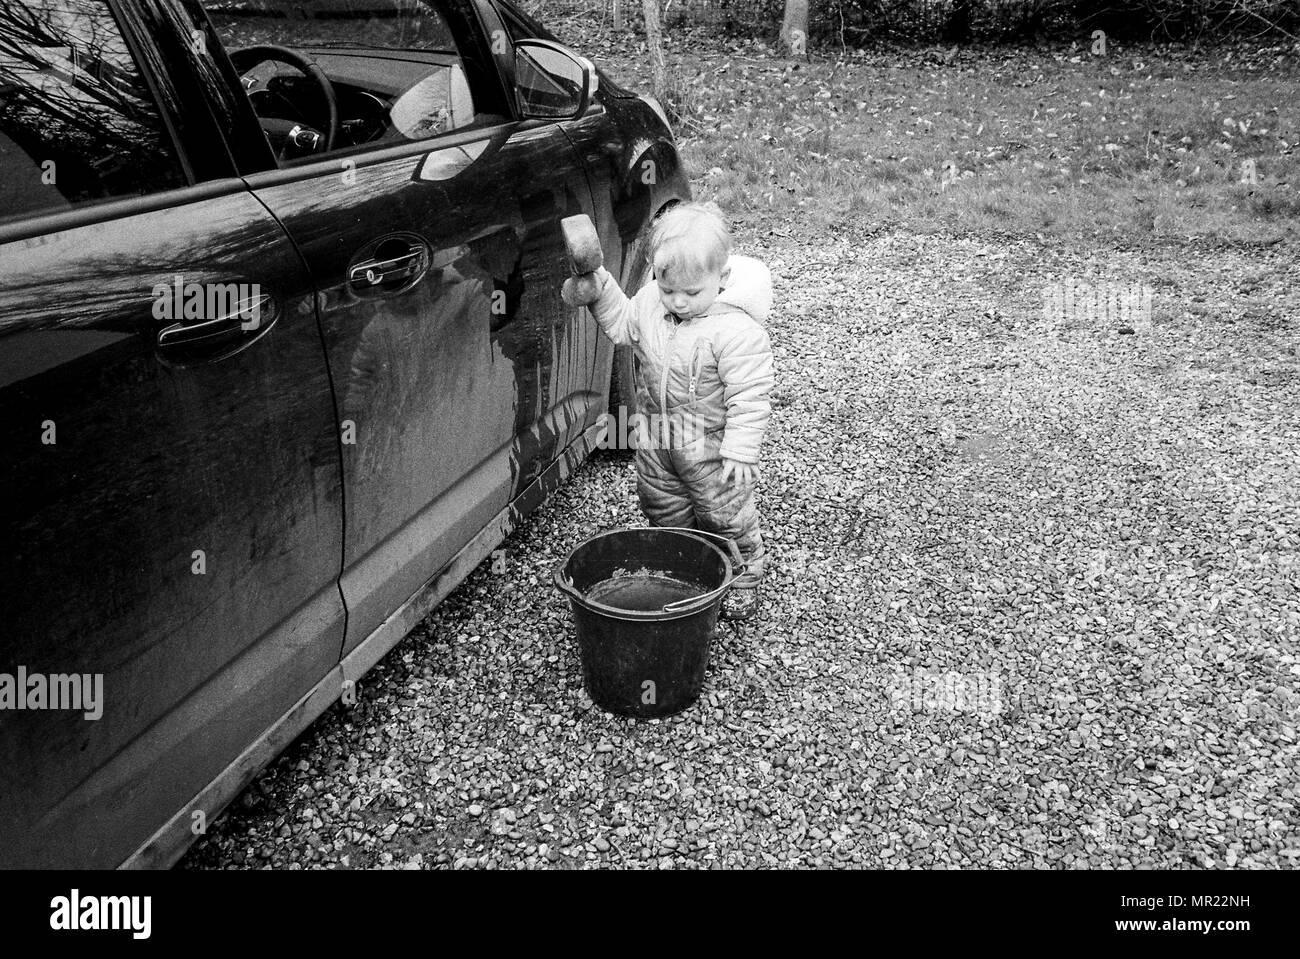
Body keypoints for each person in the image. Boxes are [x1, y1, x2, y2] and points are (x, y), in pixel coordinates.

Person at [572, 202, 774, 620]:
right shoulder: (651, 302)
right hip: (657, 437)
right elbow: (623, 322)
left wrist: (740, 450)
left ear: (722, 278)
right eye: (668, 289)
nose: (678, 301)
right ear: (656, 276)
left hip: (712, 446)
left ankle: (743, 574)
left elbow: (749, 396)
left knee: (724, 512)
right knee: (662, 505)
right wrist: (601, 289)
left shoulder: (736, 331)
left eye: (692, 292)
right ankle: (685, 564)